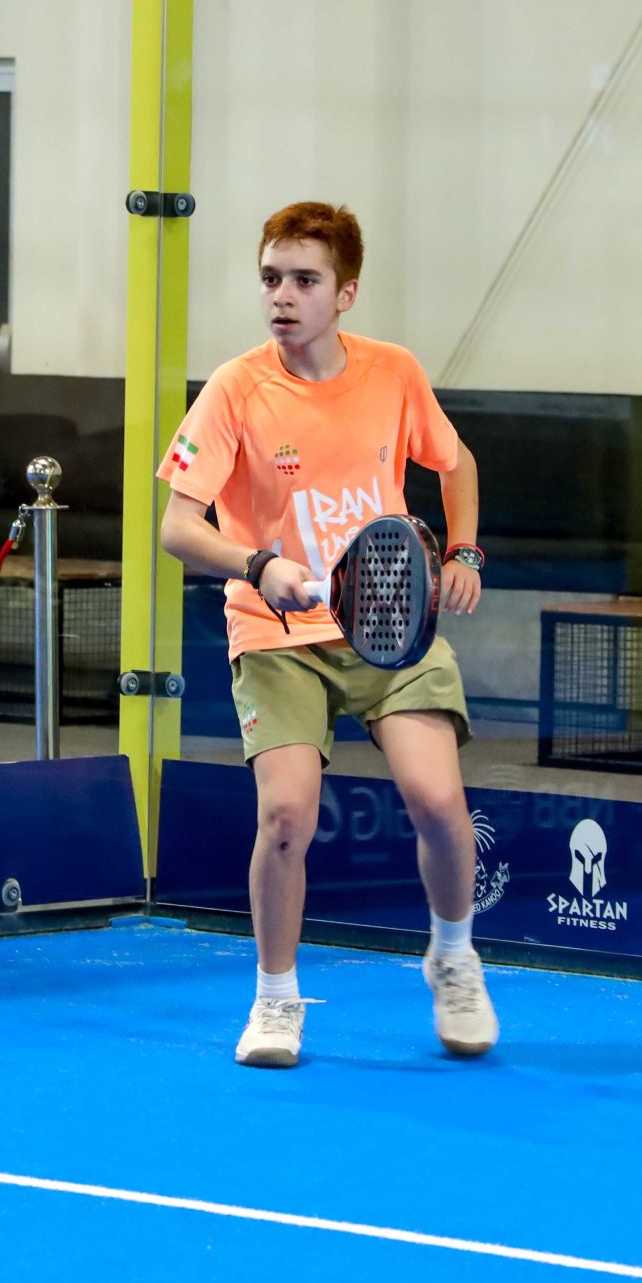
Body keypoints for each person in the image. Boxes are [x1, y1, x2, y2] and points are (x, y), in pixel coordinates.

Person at [156, 201, 496, 1067]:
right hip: (276, 634)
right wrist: (258, 563)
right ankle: (276, 998)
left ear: (345, 293)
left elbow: (455, 461)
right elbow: (177, 527)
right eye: (271, 277)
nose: (282, 295)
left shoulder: (393, 372)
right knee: (284, 816)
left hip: (387, 623)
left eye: (304, 280)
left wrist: (463, 550)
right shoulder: (234, 389)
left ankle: (453, 957)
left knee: (440, 804)